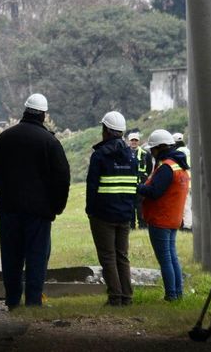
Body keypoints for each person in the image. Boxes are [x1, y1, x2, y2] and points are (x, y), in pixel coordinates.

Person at [0, 93, 71, 309]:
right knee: (36, 258)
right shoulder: (50, 142)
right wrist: (56, 206)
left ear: (25, 111)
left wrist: (3, 196)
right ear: (43, 115)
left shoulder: (5, 138)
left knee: (11, 258)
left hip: (9, 210)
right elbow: (62, 177)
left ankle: (12, 301)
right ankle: (33, 302)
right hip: (39, 214)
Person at [85, 111, 138, 306]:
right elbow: (133, 186)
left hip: (103, 215)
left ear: (106, 130)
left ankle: (115, 297)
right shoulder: (131, 156)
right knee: (122, 256)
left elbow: (92, 186)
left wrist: (90, 210)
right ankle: (127, 297)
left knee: (108, 257)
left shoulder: (99, 156)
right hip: (124, 214)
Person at [137, 129, 191, 301]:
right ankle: (177, 293)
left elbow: (154, 192)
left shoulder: (167, 167)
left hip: (161, 218)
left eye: (153, 149)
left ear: (160, 147)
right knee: (172, 257)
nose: (151, 153)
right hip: (173, 218)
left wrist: (137, 187)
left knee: (165, 259)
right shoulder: (179, 165)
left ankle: (171, 295)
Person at [126, 130, 152, 229]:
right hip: (129, 183)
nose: (134, 142)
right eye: (132, 140)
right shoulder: (124, 153)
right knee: (130, 205)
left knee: (140, 205)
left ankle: (142, 225)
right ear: (129, 141)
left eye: (136, 140)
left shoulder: (145, 154)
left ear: (139, 141)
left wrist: (145, 180)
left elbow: (149, 168)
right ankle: (131, 225)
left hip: (141, 183)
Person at [173, 132, 194, 231]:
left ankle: (187, 226)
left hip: (184, 182)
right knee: (191, 205)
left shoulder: (177, 153)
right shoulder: (189, 150)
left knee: (185, 205)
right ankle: (190, 223)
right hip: (192, 182)